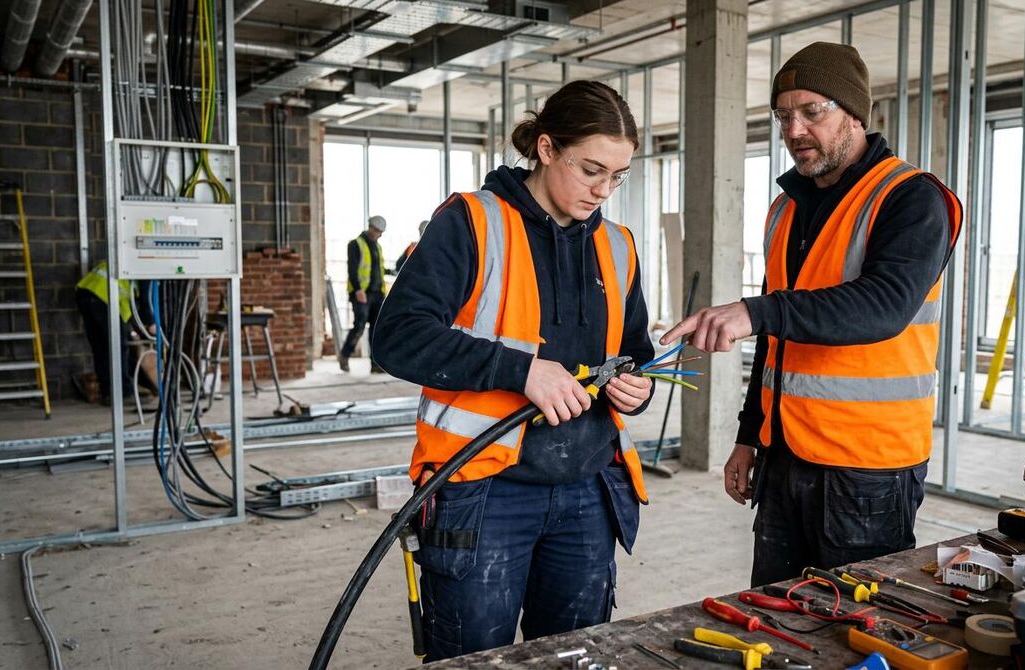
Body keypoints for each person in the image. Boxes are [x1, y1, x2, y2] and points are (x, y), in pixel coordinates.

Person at [373, 80, 655, 662]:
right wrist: (519, 370)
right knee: (476, 657)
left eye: (618, 176)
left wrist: (638, 387)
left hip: (587, 488)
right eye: (591, 170)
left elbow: (634, 351)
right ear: (547, 149)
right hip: (486, 490)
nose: (603, 191)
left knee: (573, 656)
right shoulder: (472, 222)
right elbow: (397, 339)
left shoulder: (619, 244)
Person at [661, 42, 962, 586]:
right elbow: (779, 339)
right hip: (785, 456)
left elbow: (883, 307)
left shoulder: (911, 199)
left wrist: (754, 312)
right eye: (783, 115)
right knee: (779, 621)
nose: (794, 129)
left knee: (853, 632)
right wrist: (750, 434)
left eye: (812, 111)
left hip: (866, 468)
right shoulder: (788, 207)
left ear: (854, 113)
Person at [75, 261, 153, 404]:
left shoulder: (126, 259)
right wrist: (151, 324)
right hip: (103, 298)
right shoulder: (147, 266)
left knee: (102, 348)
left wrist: (139, 330)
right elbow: (145, 302)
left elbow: (130, 313)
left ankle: (108, 393)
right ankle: (124, 393)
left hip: (85, 293)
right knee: (118, 347)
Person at [338, 215, 387, 373]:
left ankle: (375, 364)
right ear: (371, 228)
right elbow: (352, 269)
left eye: (381, 233)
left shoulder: (377, 247)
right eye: (377, 231)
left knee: (376, 330)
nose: (378, 235)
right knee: (359, 326)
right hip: (362, 293)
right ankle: (345, 356)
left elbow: (377, 268)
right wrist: (358, 290)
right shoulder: (355, 244)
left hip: (377, 294)